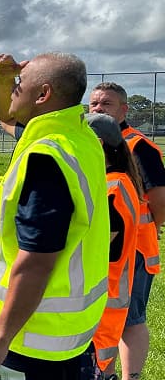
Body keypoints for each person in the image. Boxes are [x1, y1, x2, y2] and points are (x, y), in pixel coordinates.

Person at [0, 53, 107, 378]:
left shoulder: (47, 156)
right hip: (63, 335)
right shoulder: (79, 136)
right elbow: (8, 117)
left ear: (43, 95)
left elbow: (37, 261)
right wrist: (2, 82)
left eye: (19, 84)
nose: (14, 90)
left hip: (28, 339)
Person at [86, 81, 162, 379]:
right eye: (94, 104)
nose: (98, 108)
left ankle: (131, 376)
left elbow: (160, 200)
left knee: (130, 318)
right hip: (110, 251)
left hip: (136, 251)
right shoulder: (94, 142)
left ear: (123, 109)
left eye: (106, 104)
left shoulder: (139, 146)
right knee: (108, 319)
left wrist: (149, 228)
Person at [84, 113, 141, 378]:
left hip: (101, 303)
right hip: (104, 300)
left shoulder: (113, 186)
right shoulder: (116, 180)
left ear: (98, 143)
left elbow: (101, 247)